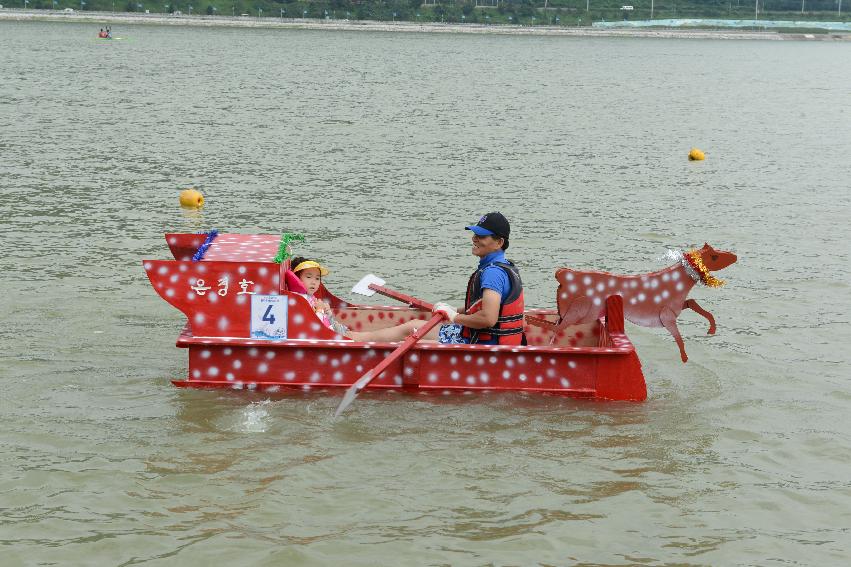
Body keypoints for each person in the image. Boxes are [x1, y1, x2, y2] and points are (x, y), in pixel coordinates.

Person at [431, 212, 525, 345]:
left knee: (409, 330)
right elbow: (483, 307)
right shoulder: (504, 266)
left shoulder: (493, 273)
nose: (474, 239)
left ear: (499, 242)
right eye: (475, 234)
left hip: (483, 347)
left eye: (481, 236)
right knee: (413, 326)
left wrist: (454, 317)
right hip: (487, 340)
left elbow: (488, 318)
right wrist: (455, 310)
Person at [288, 257, 424, 342]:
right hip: (345, 338)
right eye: (309, 277)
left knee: (406, 332)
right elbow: (316, 329)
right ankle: (443, 334)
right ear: (297, 280)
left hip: (343, 333)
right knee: (408, 329)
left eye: (317, 278)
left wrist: (326, 312)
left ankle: (441, 333)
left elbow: (325, 323)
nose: (314, 282)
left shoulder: (309, 298)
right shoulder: (300, 301)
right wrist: (319, 311)